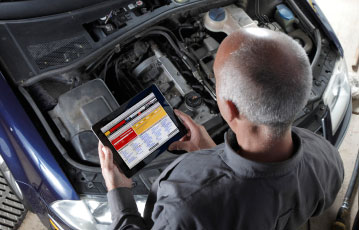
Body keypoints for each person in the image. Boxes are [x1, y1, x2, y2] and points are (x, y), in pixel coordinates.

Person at [98, 28, 344, 230]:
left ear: (231, 109)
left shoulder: (185, 204)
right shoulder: (326, 157)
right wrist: (211, 151)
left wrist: (119, 193)